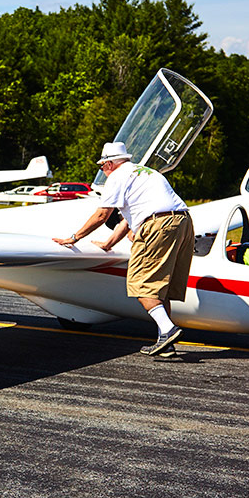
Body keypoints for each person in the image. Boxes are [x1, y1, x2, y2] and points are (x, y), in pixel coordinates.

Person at [54, 141, 194, 357]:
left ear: (109, 163)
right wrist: (109, 244)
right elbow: (129, 220)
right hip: (183, 222)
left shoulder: (117, 177)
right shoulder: (146, 172)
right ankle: (165, 341)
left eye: (102, 166)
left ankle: (169, 329)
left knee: (140, 283)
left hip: (158, 224)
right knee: (158, 286)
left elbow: (102, 215)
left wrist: (74, 238)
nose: (102, 170)